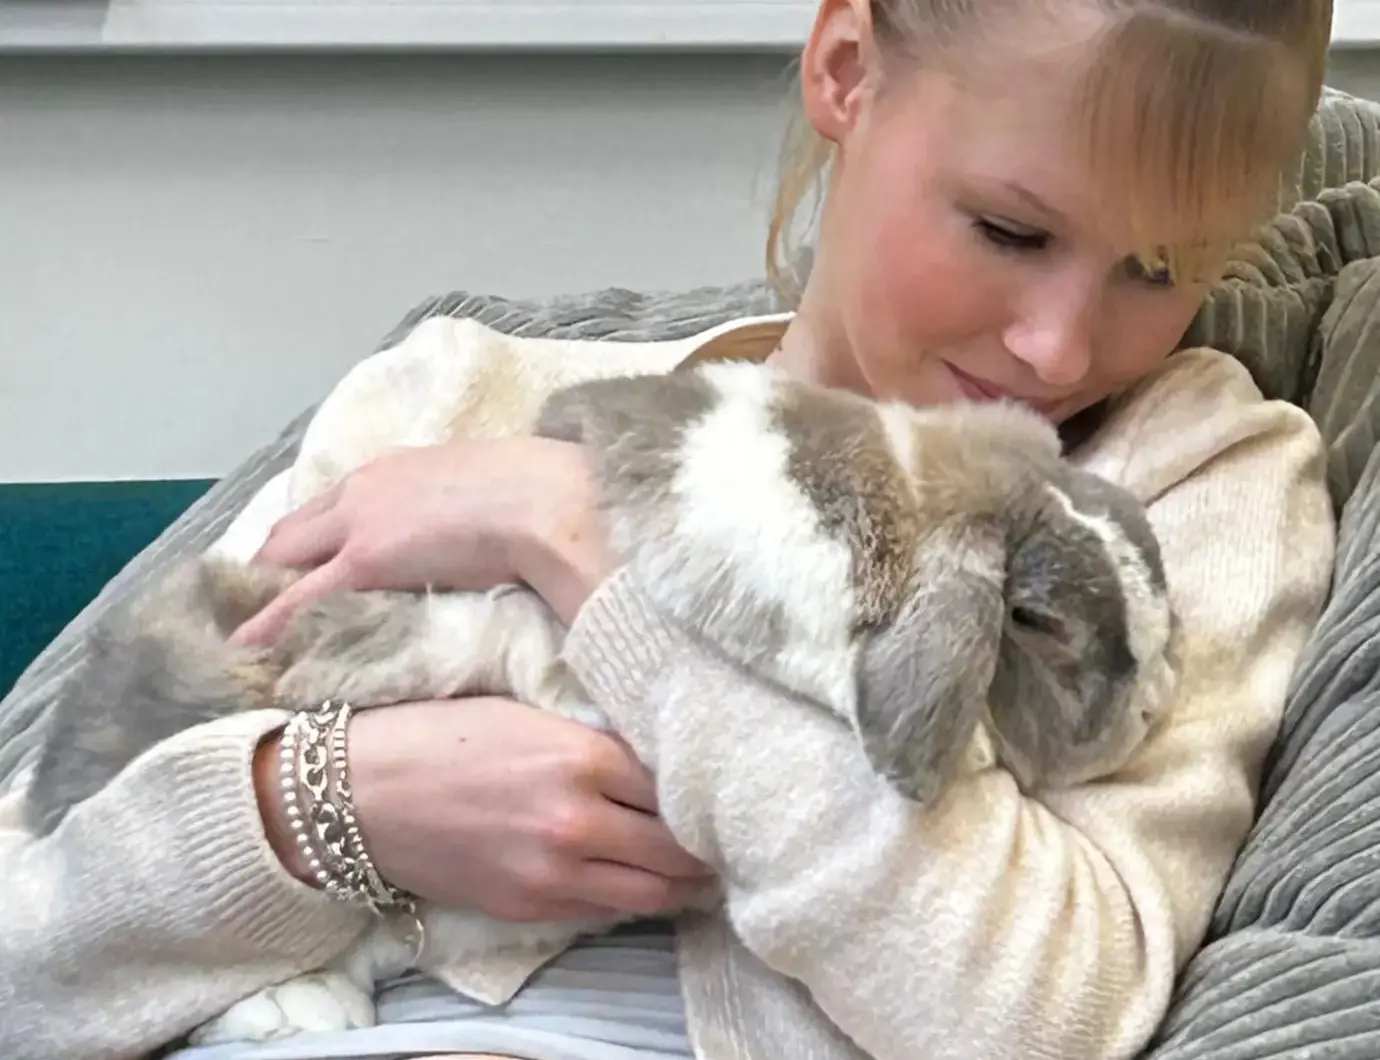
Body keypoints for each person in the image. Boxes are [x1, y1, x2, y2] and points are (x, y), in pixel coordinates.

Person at [0, 1, 1341, 1058]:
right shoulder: (453, 394)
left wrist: (589, 541)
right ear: (846, 69)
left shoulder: (1183, 483)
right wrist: (327, 809)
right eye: (1007, 229)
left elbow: (1037, 1015)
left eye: (1162, 269)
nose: (1058, 349)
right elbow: (25, 952)